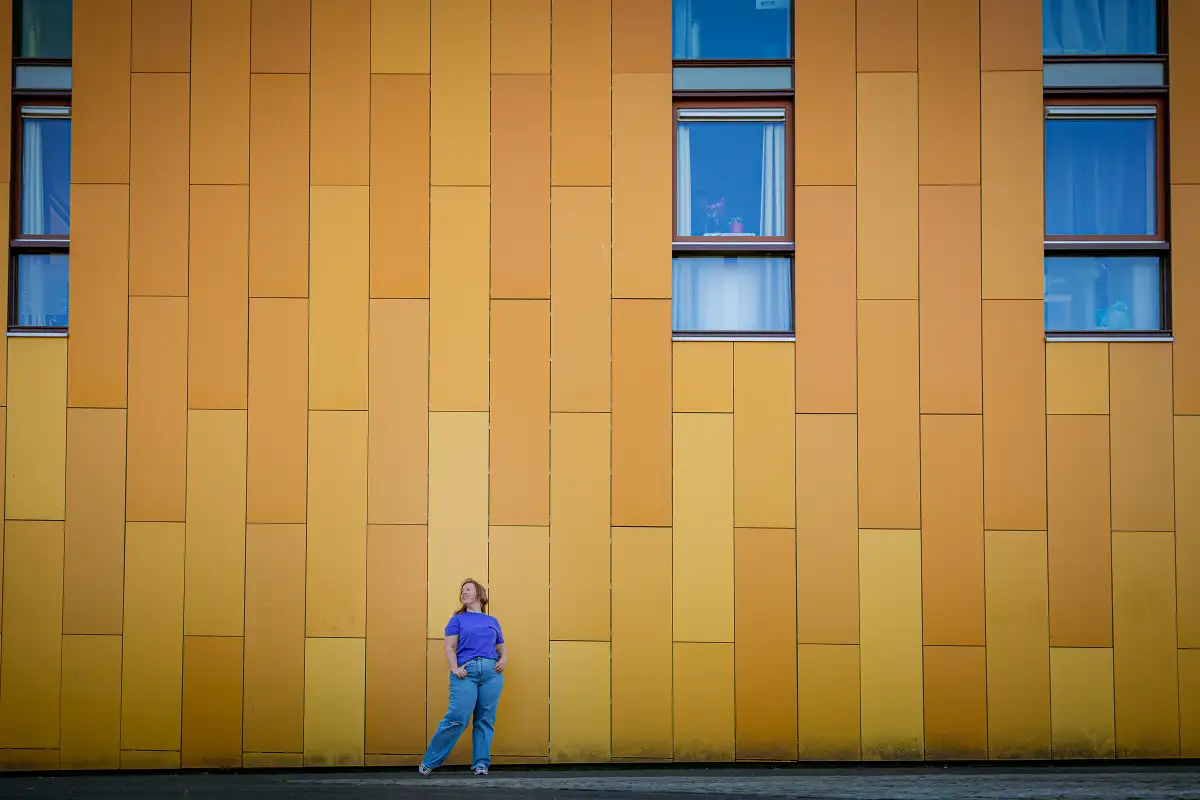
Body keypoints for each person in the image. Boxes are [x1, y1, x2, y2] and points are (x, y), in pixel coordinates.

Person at [419, 578, 507, 776]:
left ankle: (481, 764)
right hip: (466, 673)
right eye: (462, 591)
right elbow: (449, 647)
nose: (463, 593)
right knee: (457, 718)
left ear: (479, 594)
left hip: (492, 674)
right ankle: (430, 761)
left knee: (485, 720)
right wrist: (454, 668)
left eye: (468, 589)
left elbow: (501, 645)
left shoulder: (492, 621)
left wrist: (505, 658)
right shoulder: (457, 620)